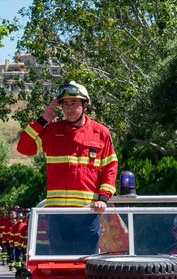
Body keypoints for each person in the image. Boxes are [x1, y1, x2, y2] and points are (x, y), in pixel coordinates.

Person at [16, 81, 117, 254]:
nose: (69, 109)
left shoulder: (101, 133)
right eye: (65, 104)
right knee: (59, 267)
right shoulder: (52, 131)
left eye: (74, 104)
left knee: (87, 266)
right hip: (57, 215)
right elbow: (23, 148)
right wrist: (43, 119)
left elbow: (110, 168)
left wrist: (103, 199)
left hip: (87, 213)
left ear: (85, 105)